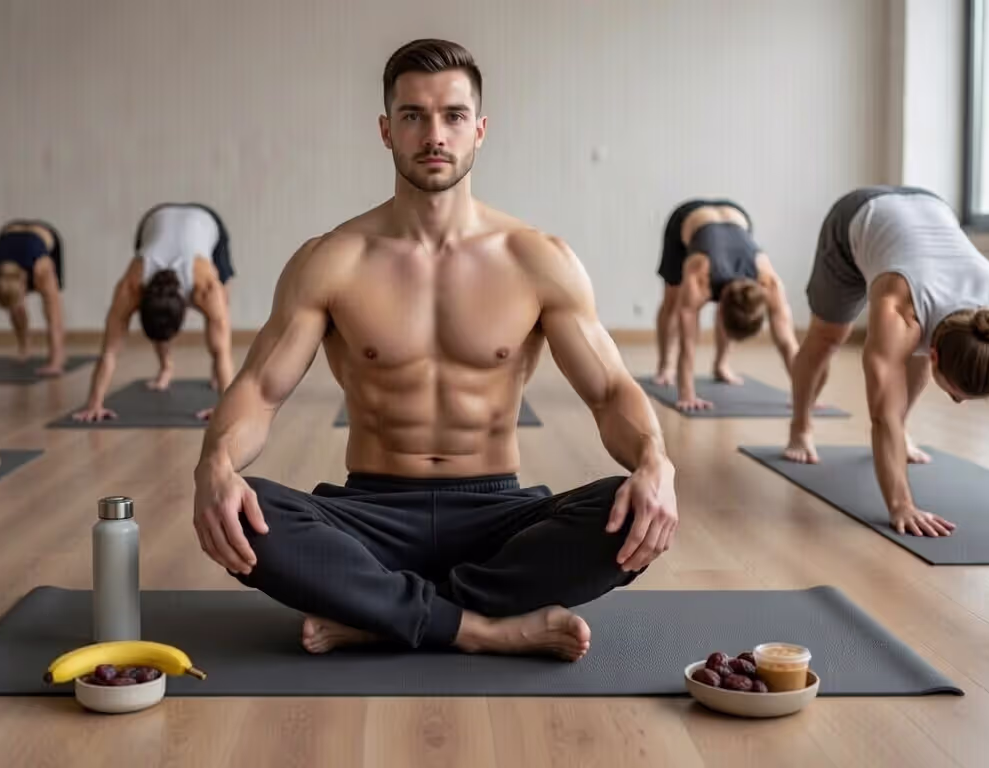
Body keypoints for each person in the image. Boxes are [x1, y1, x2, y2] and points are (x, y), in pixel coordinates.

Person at [192, 39, 678, 662]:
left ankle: (377, 615)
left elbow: (611, 393)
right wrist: (216, 465)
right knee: (248, 513)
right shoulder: (331, 260)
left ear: (479, 129)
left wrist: (655, 463)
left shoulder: (537, 259)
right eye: (413, 115)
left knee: (627, 509)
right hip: (369, 514)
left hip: (499, 516)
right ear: (386, 130)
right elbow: (259, 392)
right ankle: (483, 627)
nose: (434, 134)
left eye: (452, 115)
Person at [784, 185, 989, 536]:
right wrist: (901, 505)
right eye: (957, 394)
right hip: (855, 219)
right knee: (829, 336)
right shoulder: (898, 311)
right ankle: (800, 426)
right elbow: (882, 415)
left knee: (906, 372)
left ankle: (903, 437)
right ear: (935, 355)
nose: (957, 402)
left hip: (930, 207)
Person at [72, 202, 235, 422]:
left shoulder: (205, 288)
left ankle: (216, 376)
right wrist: (94, 404)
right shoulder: (130, 287)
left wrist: (225, 407)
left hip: (206, 220)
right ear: (139, 304)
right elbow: (109, 351)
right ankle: (165, 368)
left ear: (186, 311)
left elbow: (222, 350)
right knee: (167, 318)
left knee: (221, 316)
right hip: (154, 219)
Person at [653, 199, 799, 410]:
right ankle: (664, 366)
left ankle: (721, 365)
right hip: (687, 218)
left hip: (737, 216)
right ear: (719, 309)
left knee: (739, 310)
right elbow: (688, 344)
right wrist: (687, 394)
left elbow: (788, 343)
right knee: (672, 300)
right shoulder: (699, 276)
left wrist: (804, 394)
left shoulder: (770, 282)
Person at [0, 219, 67, 375]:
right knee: (14, 306)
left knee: (52, 305)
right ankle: (25, 346)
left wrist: (55, 363)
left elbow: (55, 318)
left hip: (45, 235)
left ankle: (57, 355)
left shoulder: (42, 269)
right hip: (9, 230)